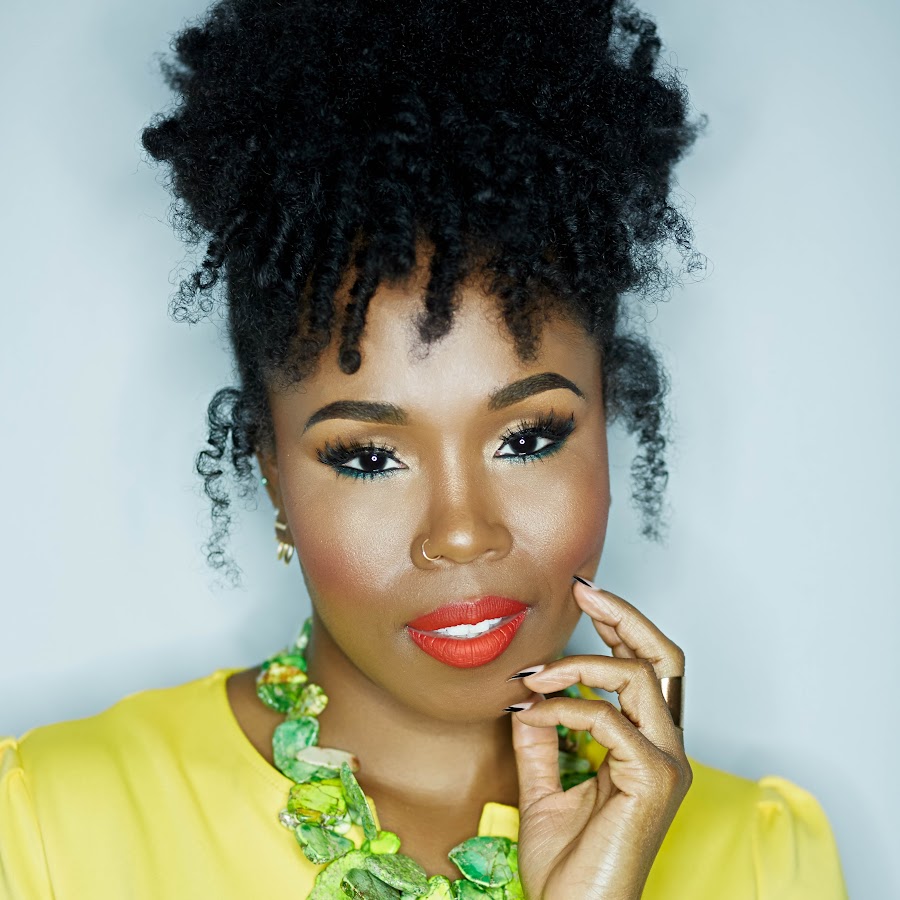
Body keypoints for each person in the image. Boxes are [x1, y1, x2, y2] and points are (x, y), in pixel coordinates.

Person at [0, 0, 848, 897]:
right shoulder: (49, 828)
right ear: (269, 471)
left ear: (608, 422)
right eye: (368, 457)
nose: (462, 532)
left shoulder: (763, 859)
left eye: (527, 438)